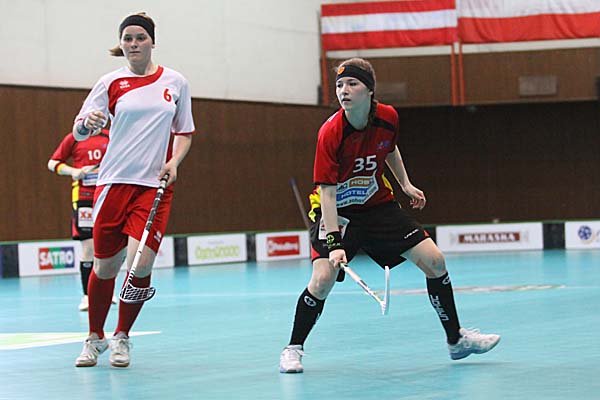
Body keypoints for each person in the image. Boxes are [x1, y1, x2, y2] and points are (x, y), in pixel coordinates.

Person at [279, 58, 500, 373]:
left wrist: (405, 184)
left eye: (352, 84)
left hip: (377, 207)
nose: (343, 91)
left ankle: (456, 340)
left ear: (369, 90)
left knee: (435, 261)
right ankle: (293, 348)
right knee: (323, 278)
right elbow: (326, 192)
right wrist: (335, 242)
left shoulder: (388, 117)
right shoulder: (330, 133)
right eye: (339, 85)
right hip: (337, 212)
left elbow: (390, 148)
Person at [72, 12, 195, 368]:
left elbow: (184, 131)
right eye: (128, 38)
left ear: (152, 41)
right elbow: (79, 130)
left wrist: (174, 162)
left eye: (140, 37)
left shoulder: (176, 82)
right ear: (121, 43)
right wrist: (88, 124)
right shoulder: (110, 83)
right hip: (112, 184)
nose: (134, 44)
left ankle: (122, 336)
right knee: (105, 267)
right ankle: (95, 337)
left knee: (140, 263)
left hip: (153, 188)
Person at [47, 129, 117, 311]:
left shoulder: (111, 135)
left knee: (108, 247)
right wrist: (74, 171)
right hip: (83, 198)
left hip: (107, 195)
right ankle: (87, 296)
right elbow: (53, 163)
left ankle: (107, 292)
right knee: (88, 246)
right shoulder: (75, 137)